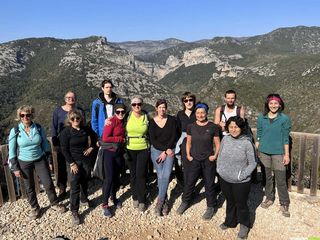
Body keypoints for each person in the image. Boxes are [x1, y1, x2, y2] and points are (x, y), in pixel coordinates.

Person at [8, 105, 66, 220]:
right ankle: (35, 207)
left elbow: (45, 144)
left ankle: (54, 203)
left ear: (31, 115)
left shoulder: (38, 128)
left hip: (40, 159)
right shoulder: (15, 131)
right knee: (29, 187)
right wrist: (15, 167)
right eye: (22, 115)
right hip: (24, 161)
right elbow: (12, 150)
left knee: (48, 183)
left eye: (28, 115)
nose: (25, 117)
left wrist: (49, 160)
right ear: (19, 116)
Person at [176, 102, 220, 220]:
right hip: (194, 159)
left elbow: (217, 143)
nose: (200, 115)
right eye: (198, 112)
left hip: (208, 160)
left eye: (203, 112)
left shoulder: (212, 127)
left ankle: (211, 206)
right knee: (190, 182)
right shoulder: (191, 126)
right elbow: (188, 142)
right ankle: (185, 201)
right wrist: (189, 155)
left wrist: (215, 155)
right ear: (195, 113)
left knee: (209, 184)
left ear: (206, 113)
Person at [217, 116, 257, 240]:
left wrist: (242, 175)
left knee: (241, 204)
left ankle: (245, 225)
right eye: (231, 127)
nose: (234, 129)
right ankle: (230, 222)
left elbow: (253, 163)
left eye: (236, 127)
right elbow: (220, 155)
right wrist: (219, 169)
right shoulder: (225, 139)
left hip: (240, 181)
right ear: (228, 128)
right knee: (230, 201)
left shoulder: (247, 142)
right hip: (224, 178)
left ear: (241, 128)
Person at [256, 94, 292, 217]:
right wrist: (257, 148)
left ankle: (284, 202)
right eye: (271, 103)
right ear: (267, 104)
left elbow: (285, 138)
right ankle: (269, 197)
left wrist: (286, 154)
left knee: (281, 178)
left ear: (280, 105)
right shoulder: (262, 117)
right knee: (267, 177)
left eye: (276, 103)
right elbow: (259, 134)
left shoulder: (284, 119)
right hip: (264, 151)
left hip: (278, 152)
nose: (273, 105)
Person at [59, 110, 97, 225]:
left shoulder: (86, 129)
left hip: (85, 160)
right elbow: (64, 150)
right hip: (73, 162)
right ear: (69, 120)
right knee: (75, 185)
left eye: (77, 118)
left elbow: (95, 138)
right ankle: (74, 211)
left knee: (85, 181)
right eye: (73, 119)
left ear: (81, 119)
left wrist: (91, 148)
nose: (75, 120)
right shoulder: (66, 132)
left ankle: (84, 199)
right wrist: (72, 163)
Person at [51, 91, 86, 199]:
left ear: (75, 99)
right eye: (68, 97)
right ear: (65, 98)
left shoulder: (79, 111)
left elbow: (84, 125)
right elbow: (53, 127)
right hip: (63, 144)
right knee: (62, 167)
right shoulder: (58, 111)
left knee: (78, 165)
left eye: (72, 97)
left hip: (76, 144)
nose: (70, 99)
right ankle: (62, 189)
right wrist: (55, 143)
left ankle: (78, 187)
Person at [149, 99, 177, 216]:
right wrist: (163, 151)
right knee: (160, 175)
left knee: (165, 175)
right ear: (156, 108)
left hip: (170, 150)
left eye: (164, 107)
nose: (162, 109)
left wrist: (166, 151)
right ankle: (165, 200)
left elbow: (174, 136)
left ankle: (160, 202)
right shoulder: (152, 122)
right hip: (156, 151)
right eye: (160, 107)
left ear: (166, 108)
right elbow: (153, 140)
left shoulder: (171, 120)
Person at [101, 103, 127, 217]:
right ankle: (105, 204)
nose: (120, 114)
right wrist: (119, 139)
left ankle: (114, 197)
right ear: (114, 112)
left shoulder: (123, 121)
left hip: (118, 152)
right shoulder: (111, 121)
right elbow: (105, 138)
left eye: (122, 112)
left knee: (116, 177)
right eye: (118, 112)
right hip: (109, 153)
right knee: (109, 178)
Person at [125, 96, 149, 212]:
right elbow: (118, 124)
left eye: (138, 104)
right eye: (134, 104)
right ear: (131, 106)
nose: (136, 106)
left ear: (142, 104)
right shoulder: (127, 116)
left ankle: (142, 199)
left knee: (141, 175)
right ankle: (135, 196)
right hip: (130, 148)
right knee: (133, 174)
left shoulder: (146, 116)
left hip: (143, 148)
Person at [175, 92, 196, 184]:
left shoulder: (197, 113)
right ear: (183, 102)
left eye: (190, 100)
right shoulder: (180, 114)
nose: (188, 102)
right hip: (184, 138)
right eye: (186, 100)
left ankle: (193, 178)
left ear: (194, 101)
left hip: (196, 138)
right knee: (181, 158)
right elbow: (178, 128)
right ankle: (181, 179)